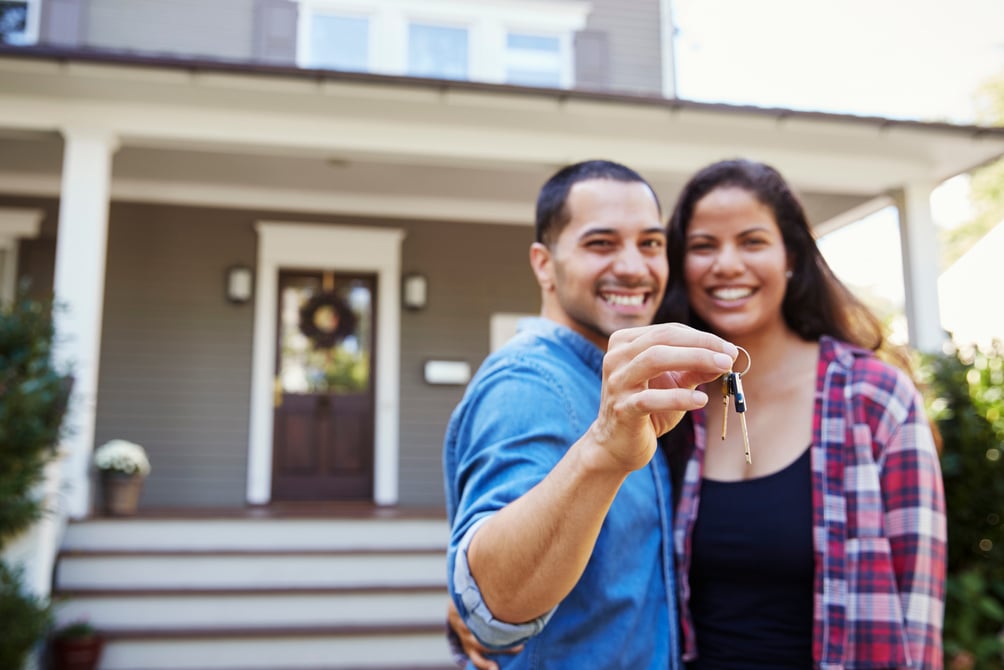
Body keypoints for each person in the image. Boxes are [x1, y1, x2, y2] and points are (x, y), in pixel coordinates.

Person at [452, 158, 947, 670]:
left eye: (752, 241)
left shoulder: (871, 398)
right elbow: (507, 579)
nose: (726, 264)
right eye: (703, 246)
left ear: (791, 257)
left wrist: (480, 595)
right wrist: (478, 593)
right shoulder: (649, 396)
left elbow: (917, 604)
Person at [444, 159, 739, 670]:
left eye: (650, 243)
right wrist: (601, 450)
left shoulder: (620, 380)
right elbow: (492, 606)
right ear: (543, 263)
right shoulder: (528, 384)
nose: (633, 266)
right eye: (601, 243)